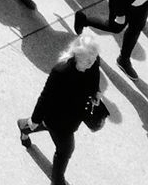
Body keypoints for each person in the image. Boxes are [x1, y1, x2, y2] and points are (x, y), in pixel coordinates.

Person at [17, 35, 102, 185]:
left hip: (75, 115)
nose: (92, 62)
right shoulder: (60, 72)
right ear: (77, 56)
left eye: (94, 58)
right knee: (66, 149)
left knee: (41, 125)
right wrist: (36, 118)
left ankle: (25, 125)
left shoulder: (93, 62)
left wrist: (96, 91)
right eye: (88, 59)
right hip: (57, 118)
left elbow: (95, 75)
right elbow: (45, 97)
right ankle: (57, 180)